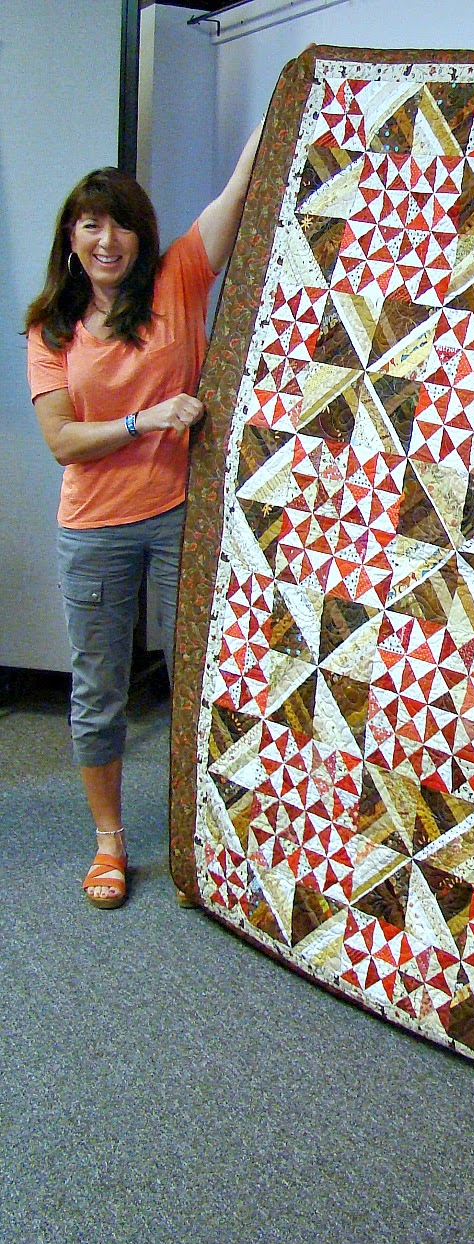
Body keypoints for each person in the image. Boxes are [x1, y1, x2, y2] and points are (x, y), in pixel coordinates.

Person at [25, 125, 261, 909]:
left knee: (205, 676)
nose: (107, 239)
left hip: (179, 517)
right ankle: (109, 839)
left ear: (142, 234)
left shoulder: (179, 278)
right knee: (100, 689)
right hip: (93, 528)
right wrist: (144, 420)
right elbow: (62, 441)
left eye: (121, 223)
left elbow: (237, 193)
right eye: (91, 223)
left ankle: (204, 836)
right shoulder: (52, 328)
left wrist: (288, 97)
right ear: (71, 237)